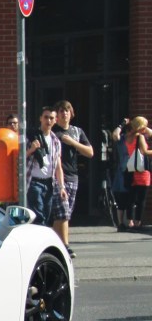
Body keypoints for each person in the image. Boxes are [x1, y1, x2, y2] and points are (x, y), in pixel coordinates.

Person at [51, 100, 92, 257]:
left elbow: (90, 152)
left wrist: (73, 142)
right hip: (57, 176)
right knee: (63, 212)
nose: (64, 113)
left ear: (71, 113)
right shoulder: (53, 131)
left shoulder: (76, 131)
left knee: (64, 214)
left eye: (67, 110)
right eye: (61, 111)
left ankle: (53, 243)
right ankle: (65, 246)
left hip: (73, 176)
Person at [25, 106, 65, 227]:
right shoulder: (31, 136)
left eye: (51, 118)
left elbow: (58, 166)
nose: (48, 121)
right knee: (39, 216)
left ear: (55, 120)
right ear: (40, 119)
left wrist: (62, 187)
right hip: (34, 182)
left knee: (47, 215)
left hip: (49, 182)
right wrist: (31, 149)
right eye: (46, 117)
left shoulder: (55, 141)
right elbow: (19, 158)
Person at [120, 115, 151, 230]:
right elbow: (144, 152)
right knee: (141, 199)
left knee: (131, 198)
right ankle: (137, 222)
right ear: (141, 127)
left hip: (131, 170)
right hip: (142, 171)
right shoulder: (140, 137)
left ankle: (130, 221)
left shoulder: (128, 136)